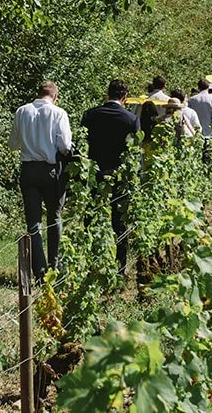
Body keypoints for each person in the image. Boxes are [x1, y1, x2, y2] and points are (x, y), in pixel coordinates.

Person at [10, 81, 72, 277]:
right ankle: (54, 265)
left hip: (28, 170)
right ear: (55, 96)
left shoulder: (22, 111)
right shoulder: (58, 113)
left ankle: (39, 269)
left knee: (33, 222)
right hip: (50, 170)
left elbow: (13, 144)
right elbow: (64, 145)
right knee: (54, 217)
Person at [80, 79, 140, 273]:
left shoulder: (90, 115)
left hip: (94, 173)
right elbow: (134, 152)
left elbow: (83, 145)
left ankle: (90, 262)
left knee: (91, 218)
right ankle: (120, 266)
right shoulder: (131, 119)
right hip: (120, 176)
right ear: (125, 97)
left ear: (107, 93)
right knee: (120, 222)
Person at [139, 76, 169, 141]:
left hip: (147, 130)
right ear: (164, 86)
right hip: (163, 132)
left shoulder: (145, 99)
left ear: (153, 85)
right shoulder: (168, 100)